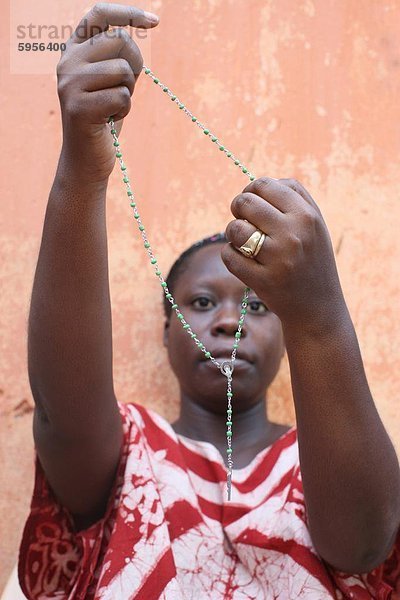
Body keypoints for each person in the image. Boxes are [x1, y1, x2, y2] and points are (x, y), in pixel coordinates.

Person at [17, 4, 400, 599]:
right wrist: (81, 167)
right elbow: (61, 419)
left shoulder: (326, 456)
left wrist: (319, 314)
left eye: (259, 306)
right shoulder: (126, 454)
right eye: (200, 302)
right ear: (167, 328)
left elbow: (363, 543)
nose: (227, 320)